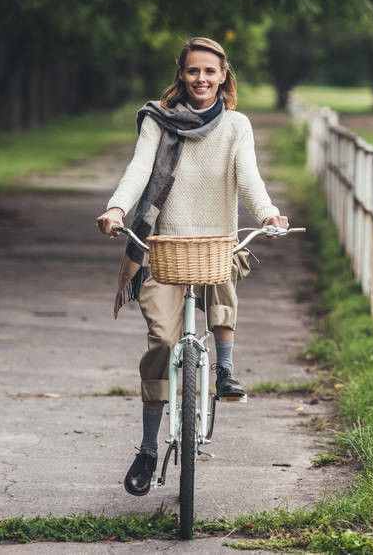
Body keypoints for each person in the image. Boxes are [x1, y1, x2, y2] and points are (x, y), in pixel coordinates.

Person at [95, 36, 288, 496]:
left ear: (224, 77)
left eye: (210, 72)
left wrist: (267, 214)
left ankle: (225, 370)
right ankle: (146, 447)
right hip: (162, 248)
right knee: (161, 341)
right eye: (192, 71)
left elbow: (249, 177)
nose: (201, 79)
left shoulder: (237, 125)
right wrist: (117, 209)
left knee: (224, 267)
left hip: (211, 246)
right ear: (181, 76)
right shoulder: (158, 123)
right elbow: (140, 170)